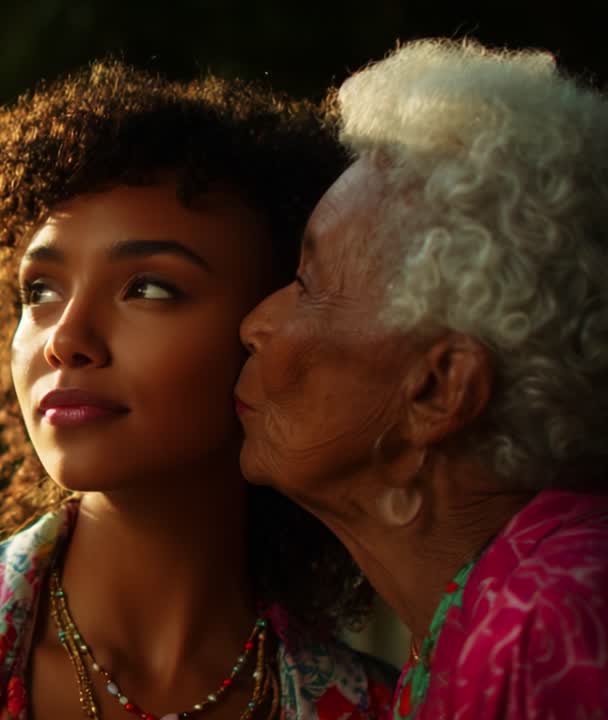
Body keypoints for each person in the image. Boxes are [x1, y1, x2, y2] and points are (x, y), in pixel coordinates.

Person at [0, 60, 394, 720]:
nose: (66, 337)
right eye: (41, 291)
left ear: (274, 328)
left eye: (148, 288)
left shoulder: (378, 708)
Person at [236, 38, 608, 720]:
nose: (254, 323)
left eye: (306, 283)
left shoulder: (549, 622)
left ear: (438, 392)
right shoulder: (477, 623)